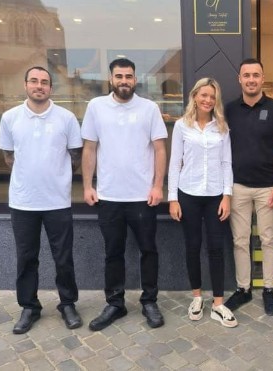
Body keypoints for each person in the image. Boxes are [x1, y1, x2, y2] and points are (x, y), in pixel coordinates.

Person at [81, 58, 167, 331]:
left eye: (129, 76)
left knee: (148, 251)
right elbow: (89, 149)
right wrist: (87, 186)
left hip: (143, 196)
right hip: (109, 197)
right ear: (111, 79)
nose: (124, 81)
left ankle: (149, 301)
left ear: (135, 78)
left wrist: (157, 186)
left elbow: (160, 149)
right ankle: (115, 303)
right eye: (119, 76)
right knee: (113, 252)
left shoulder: (149, 108)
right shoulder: (96, 107)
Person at [0, 66, 83, 334]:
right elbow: (8, 157)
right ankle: (29, 307)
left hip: (57, 201)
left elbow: (75, 156)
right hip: (23, 203)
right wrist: (29, 177)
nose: (39, 86)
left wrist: (57, 178)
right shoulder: (10, 118)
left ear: (50, 87)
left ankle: (67, 303)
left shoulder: (66, 118)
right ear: (25, 85)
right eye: (34, 81)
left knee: (64, 257)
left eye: (44, 82)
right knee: (26, 257)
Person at [168, 78, 238, 328]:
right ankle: (197, 297)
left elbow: (226, 163)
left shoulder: (221, 127)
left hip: (215, 196)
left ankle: (218, 303)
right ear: (195, 96)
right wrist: (173, 198)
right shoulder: (181, 126)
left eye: (212, 97)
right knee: (192, 246)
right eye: (204, 95)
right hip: (188, 194)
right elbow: (175, 163)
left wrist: (227, 196)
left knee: (216, 249)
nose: (208, 100)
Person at [224, 58, 273, 315]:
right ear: (239, 79)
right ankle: (243, 289)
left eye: (256, 75)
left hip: (267, 188)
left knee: (268, 240)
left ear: (263, 78)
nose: (251, 79)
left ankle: (269, 290)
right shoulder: (228, 110)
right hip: (237, 186)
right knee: (240, 240)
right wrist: (226, 190)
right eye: (246, 75)